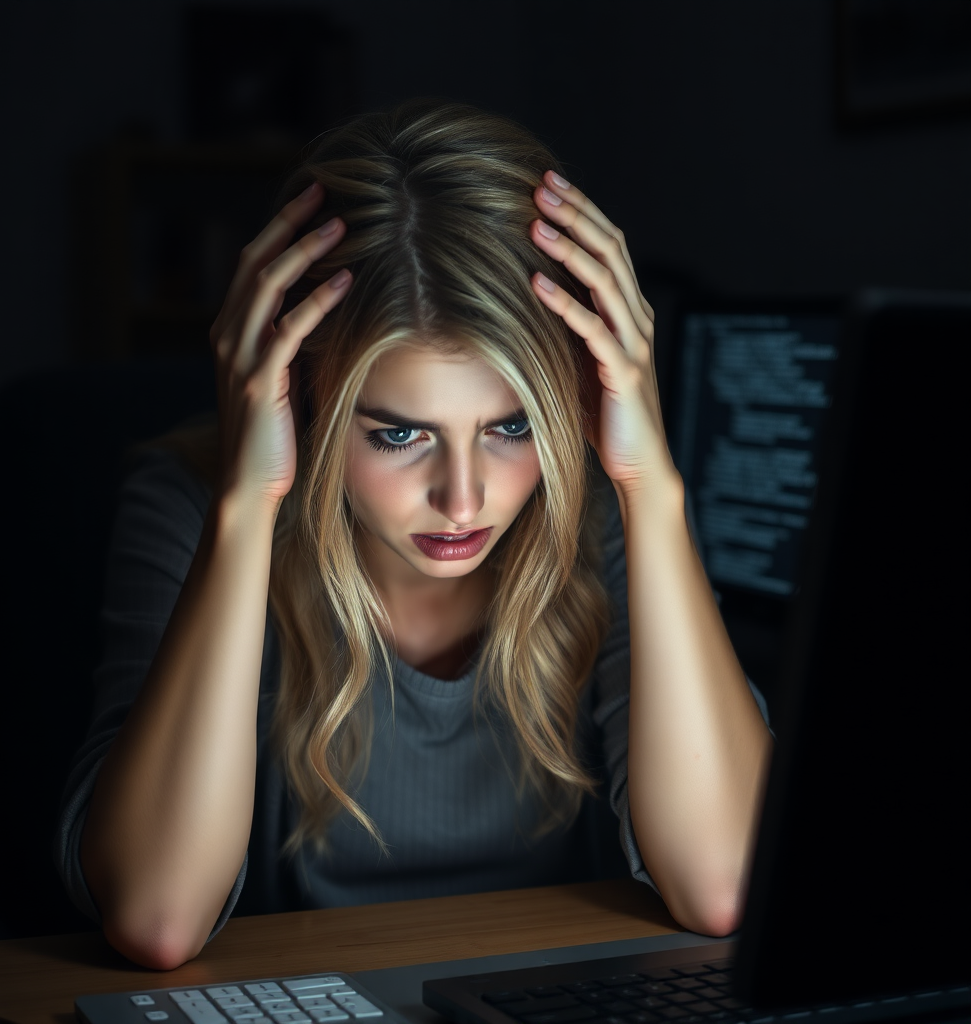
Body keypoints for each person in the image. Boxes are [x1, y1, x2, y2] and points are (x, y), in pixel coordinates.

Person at [54, 98, 774, 971]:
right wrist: (247, 509)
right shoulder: (187, 504)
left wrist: (650, 487)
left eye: (511, 427)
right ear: (306, 399)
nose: (464, 499)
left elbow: (727, 883)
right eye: (399, 434)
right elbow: (157, 918)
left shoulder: (598, 517)